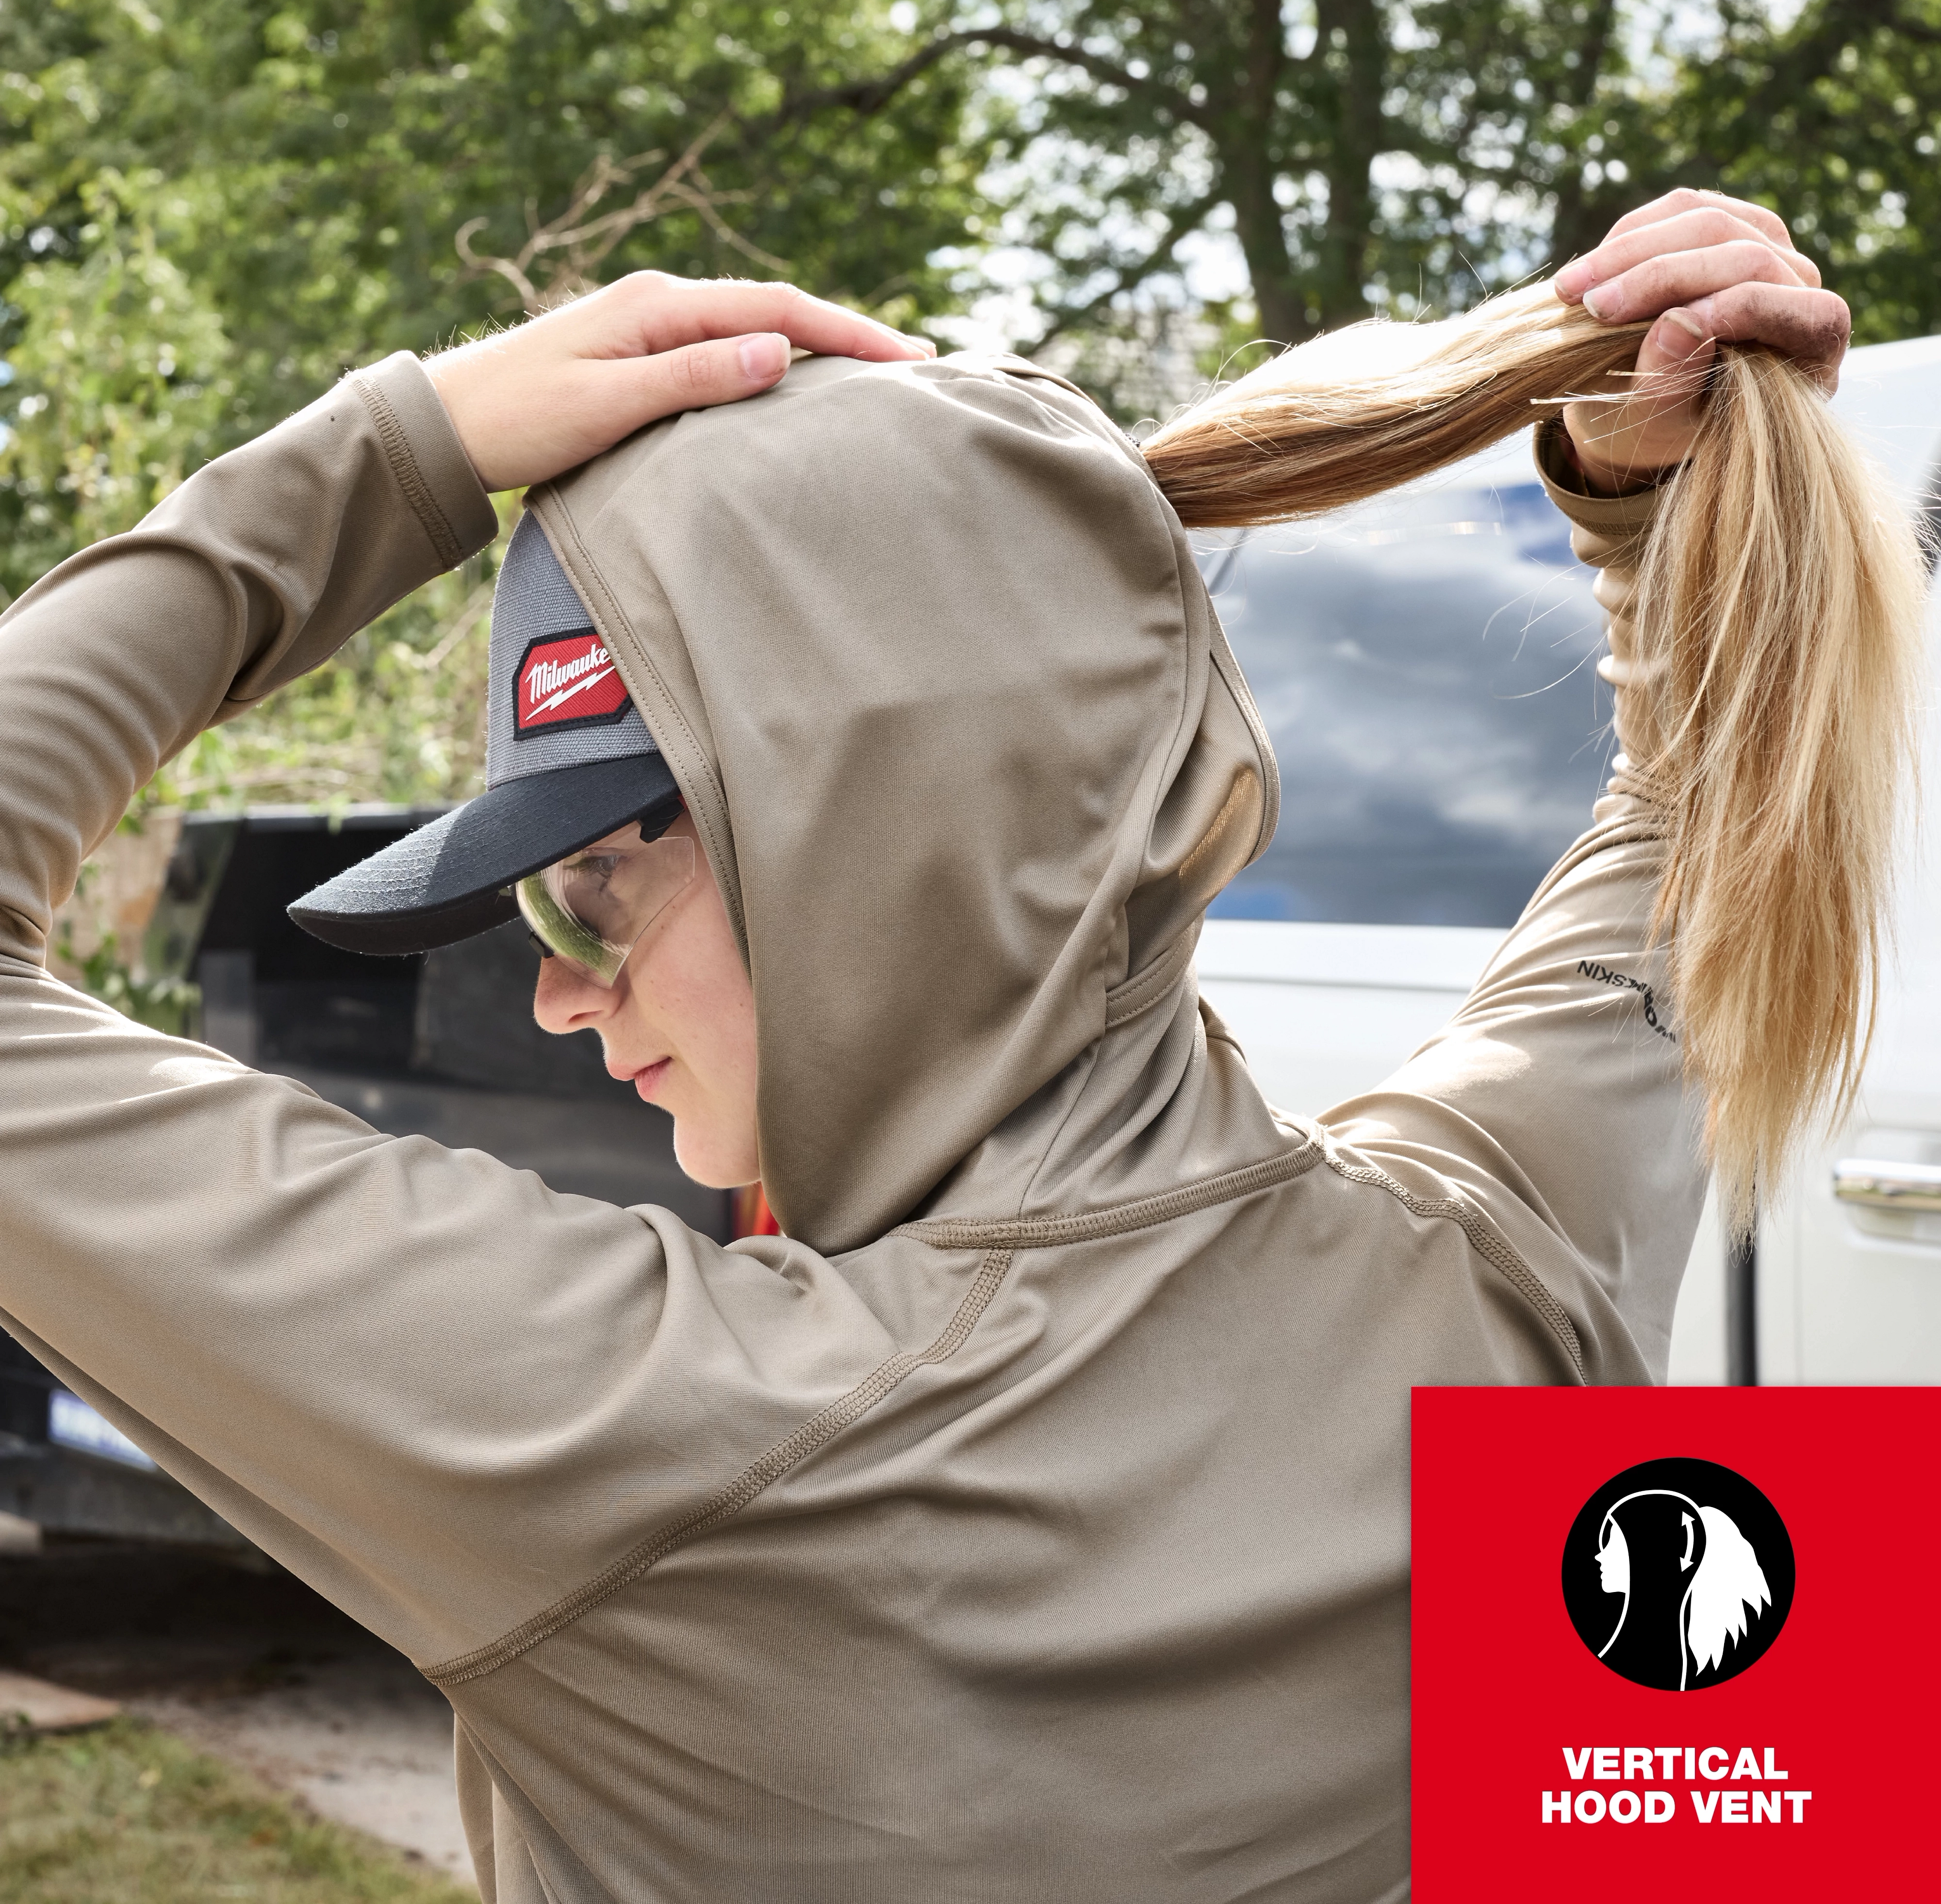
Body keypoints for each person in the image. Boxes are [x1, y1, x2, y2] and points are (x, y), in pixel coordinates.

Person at [0, 196, 1877, 1901]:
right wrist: (1649, 508)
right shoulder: (1489, 1267)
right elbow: (1711, 813)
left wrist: (393, 455)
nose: (559, 989)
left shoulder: (664, 1447)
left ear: (860, 830)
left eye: (590, 887)